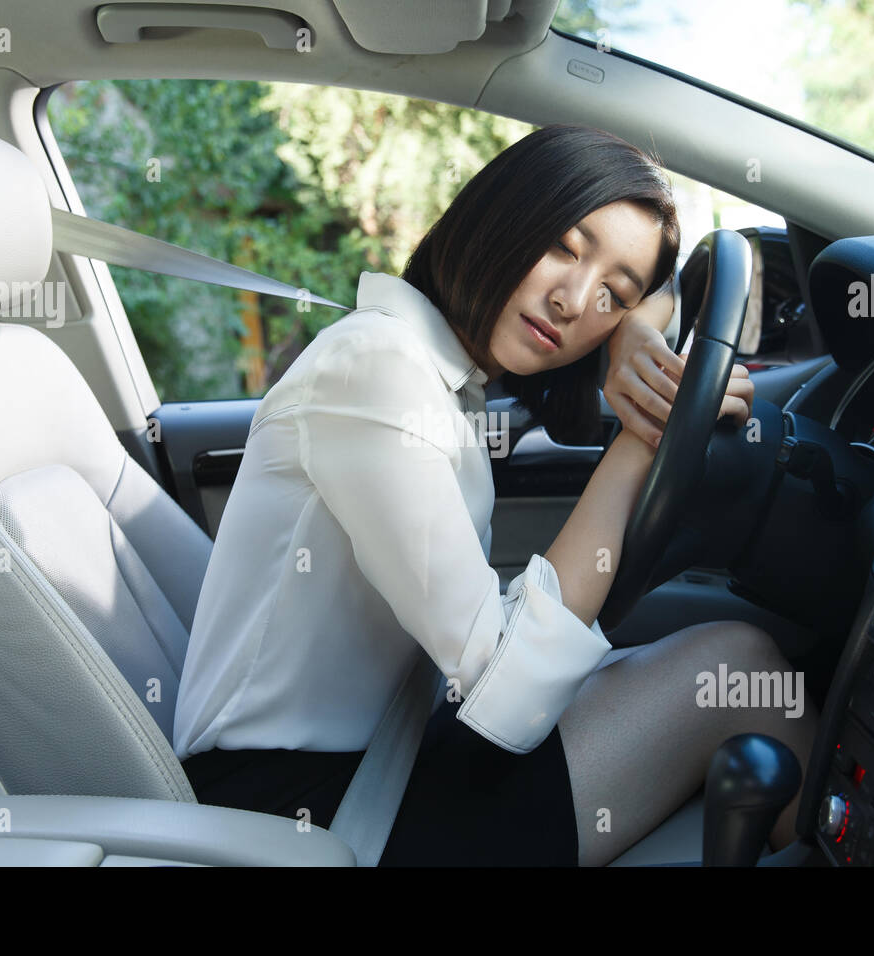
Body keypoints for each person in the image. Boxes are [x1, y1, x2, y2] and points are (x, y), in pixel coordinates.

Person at [173, 123, 819, 866]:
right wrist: (647, 435)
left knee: (733, 662)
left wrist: (634, 337)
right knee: (737, 671)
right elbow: (508, 693)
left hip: (386, 758)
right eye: (564, 248)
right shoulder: (378, 370)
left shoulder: (437, 374)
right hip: (301, 821)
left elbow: (664, 288)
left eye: (612, 292)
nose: (576, 300)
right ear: (502, 214)